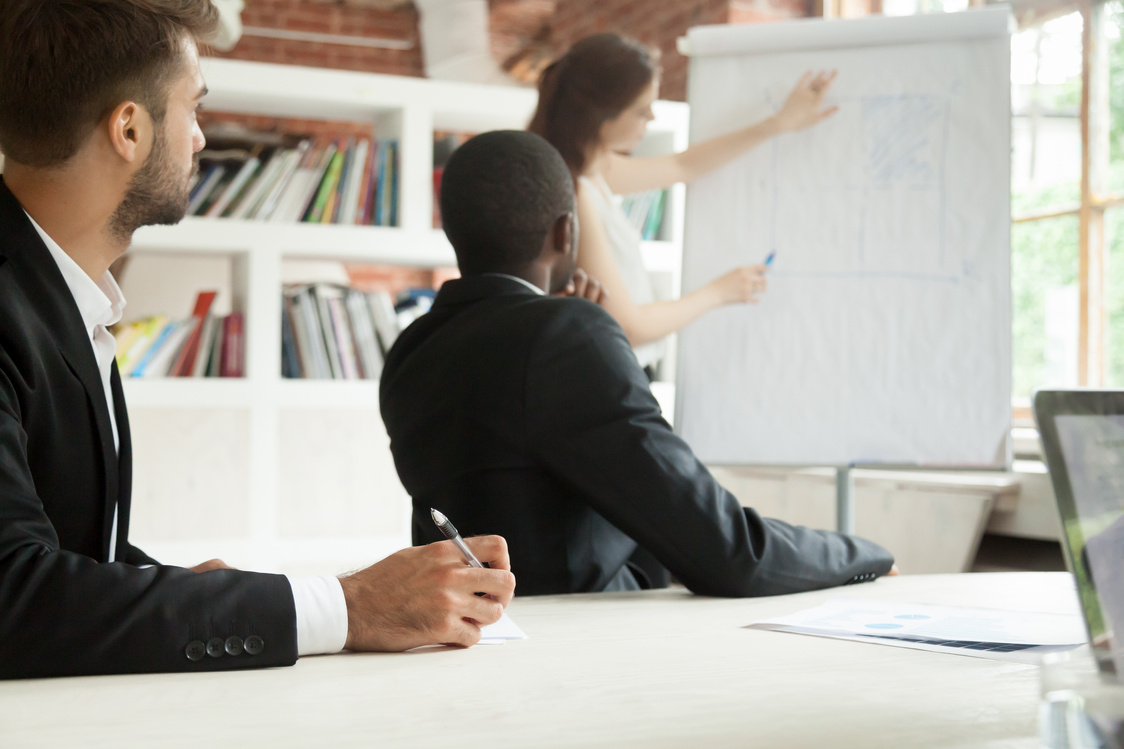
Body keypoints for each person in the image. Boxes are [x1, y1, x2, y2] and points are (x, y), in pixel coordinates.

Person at [0, 0, 514, 680]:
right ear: (129, 127)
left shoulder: (56, 295)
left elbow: (65, 551)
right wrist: (347, 607)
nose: (201, 139)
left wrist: (205, 597)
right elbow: (15, 596)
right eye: (194, 108)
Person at [380, 130, 895, 597]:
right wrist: (866, 555)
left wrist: (564, 321)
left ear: (451, 231)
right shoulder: (569, 337)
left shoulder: (410, 351)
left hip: (474, 638)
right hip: (587, 649)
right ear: (565, 232)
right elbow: (729, 552)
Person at [528, 33, 838, 374]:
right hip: (612, 373)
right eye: (642, 111)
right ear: (602, 117)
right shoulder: (577, 190)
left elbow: (683, 166)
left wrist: (777, 125)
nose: (653, 120)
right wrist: (719, 293)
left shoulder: (594, 169)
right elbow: (628, 326)